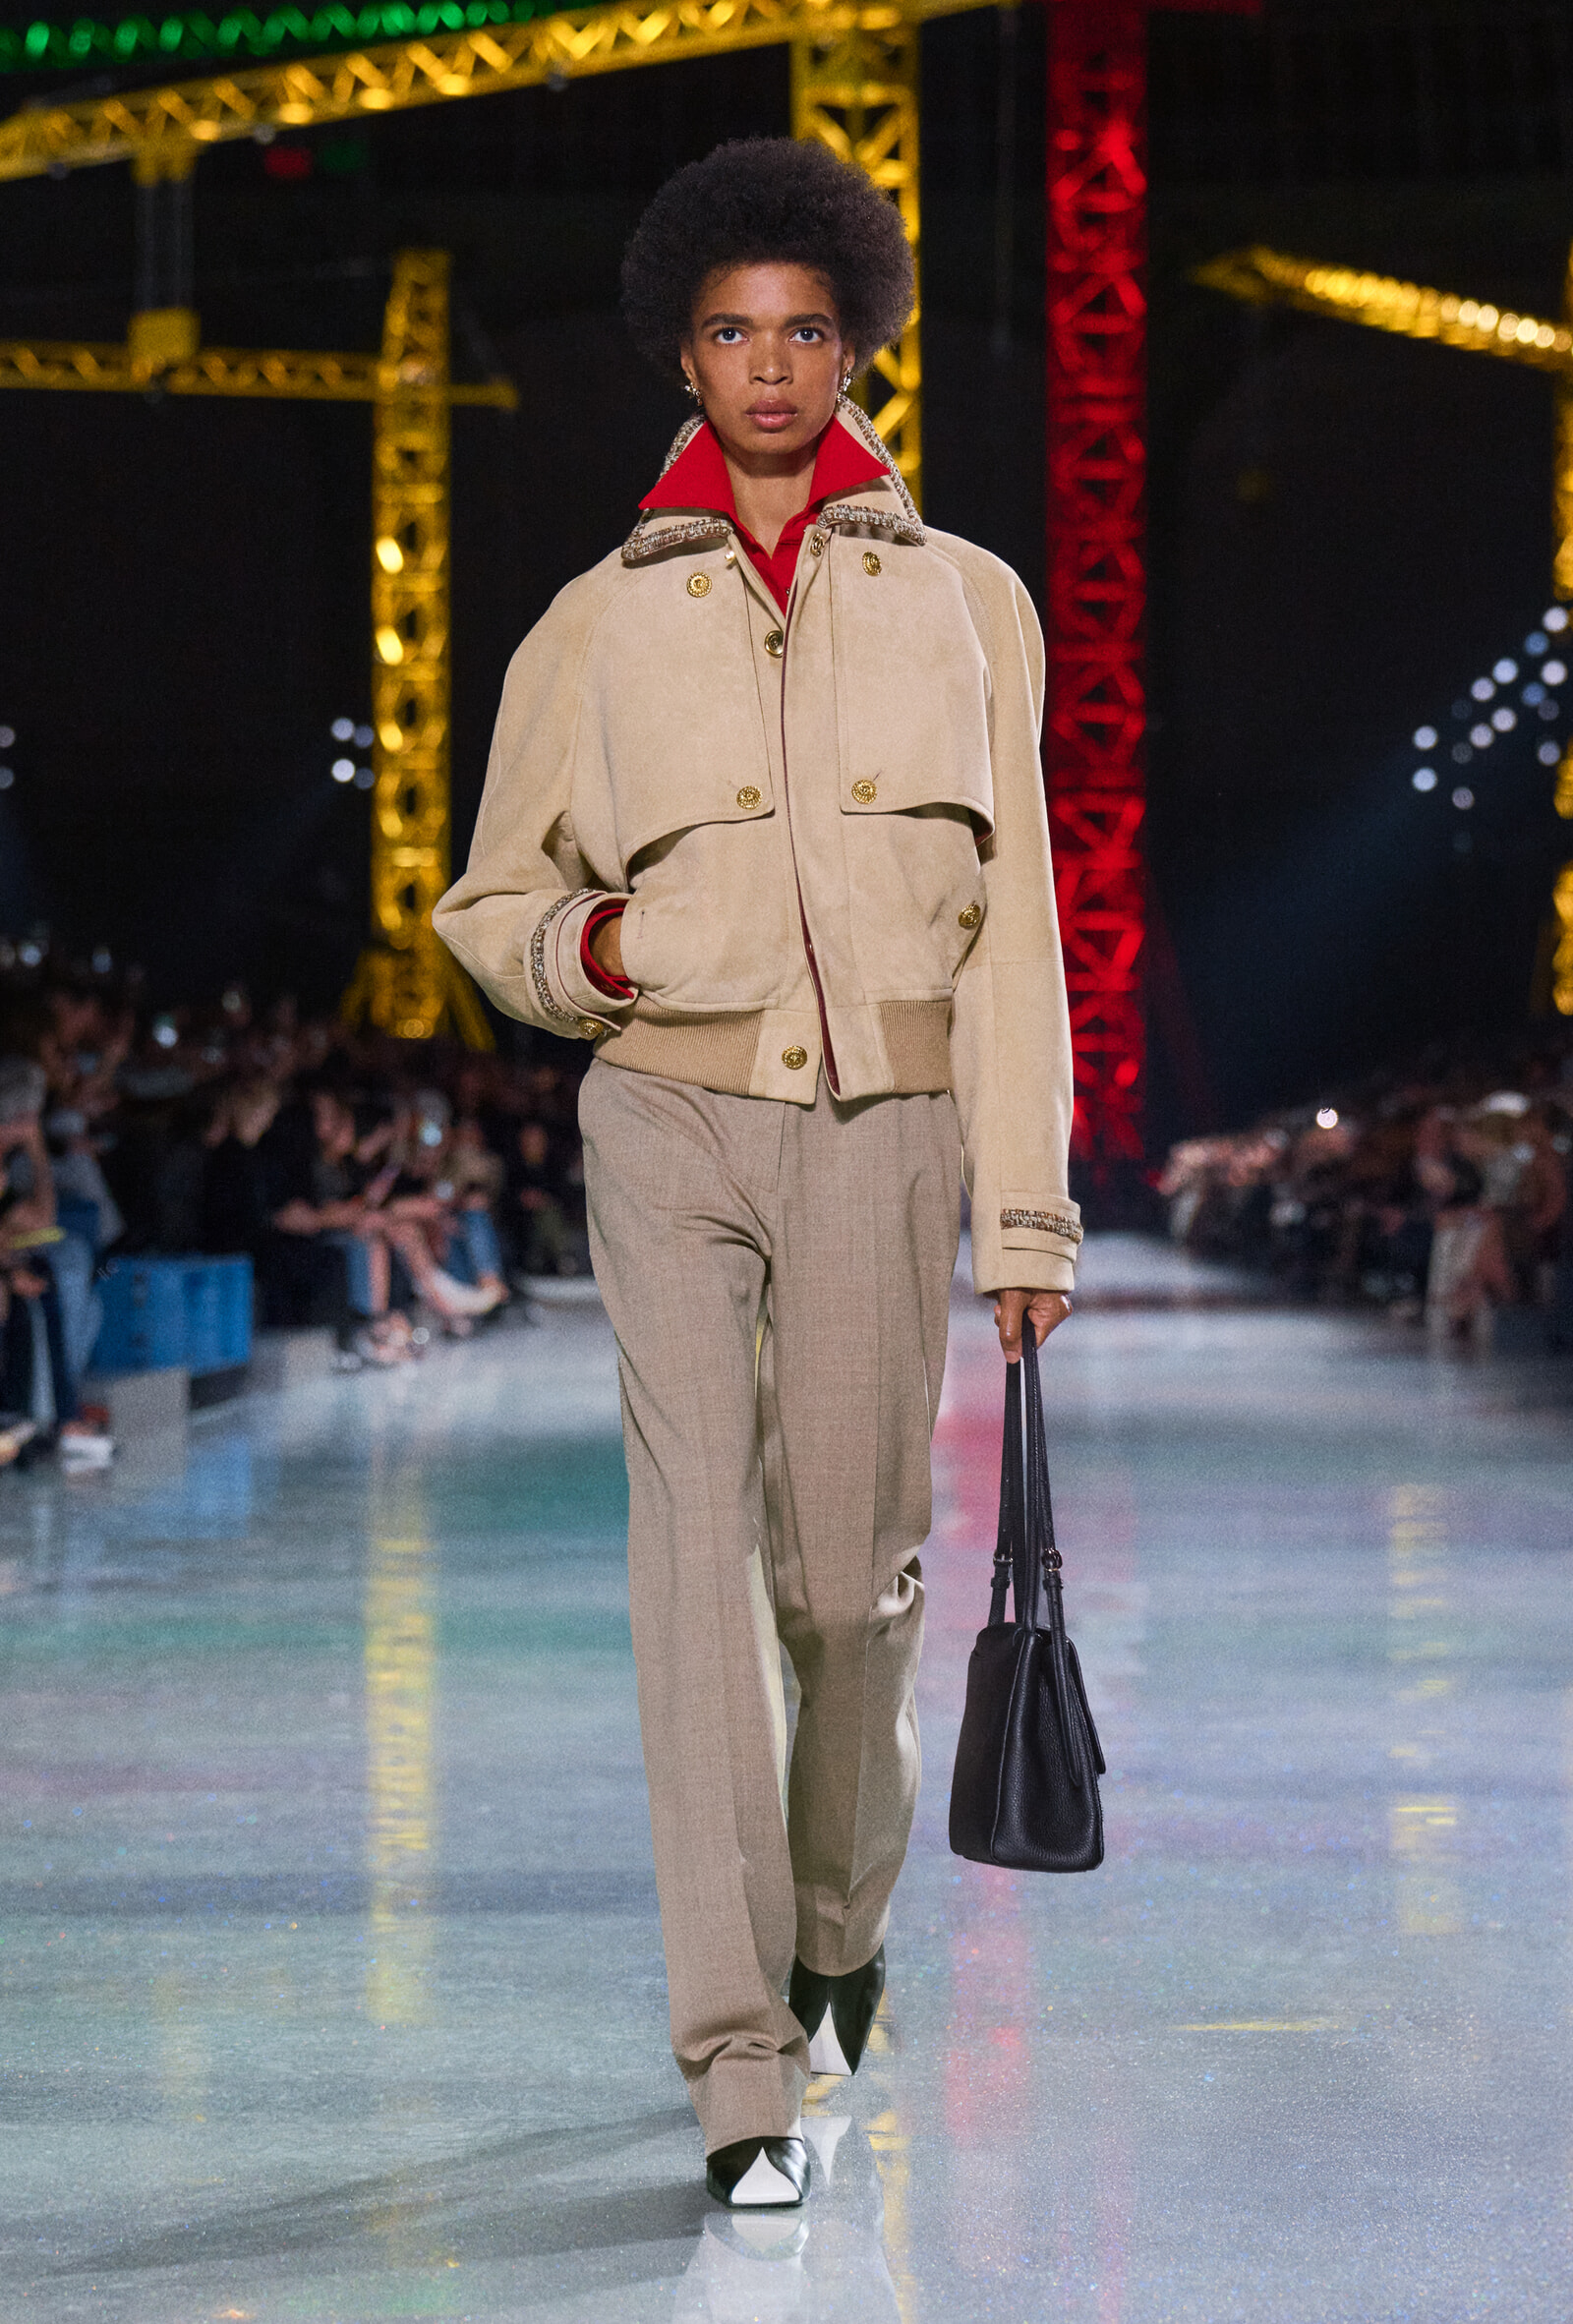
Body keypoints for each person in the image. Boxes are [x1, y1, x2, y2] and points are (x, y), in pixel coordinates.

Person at [435, 138, 1080, 2211]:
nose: (770, 366)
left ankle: (832, 1930)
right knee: (692, 1578)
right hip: (668, 1119)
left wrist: (1025, 1206)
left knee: (847, 1583)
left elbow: (1017, 931)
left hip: (887, 1132)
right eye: (732, 333)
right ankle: (736, 2065)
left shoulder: (970, 603)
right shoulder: (593, 622)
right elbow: (490, 903)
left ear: (855, 343)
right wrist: (607, 949)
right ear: (684, 354)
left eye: (804, 330)